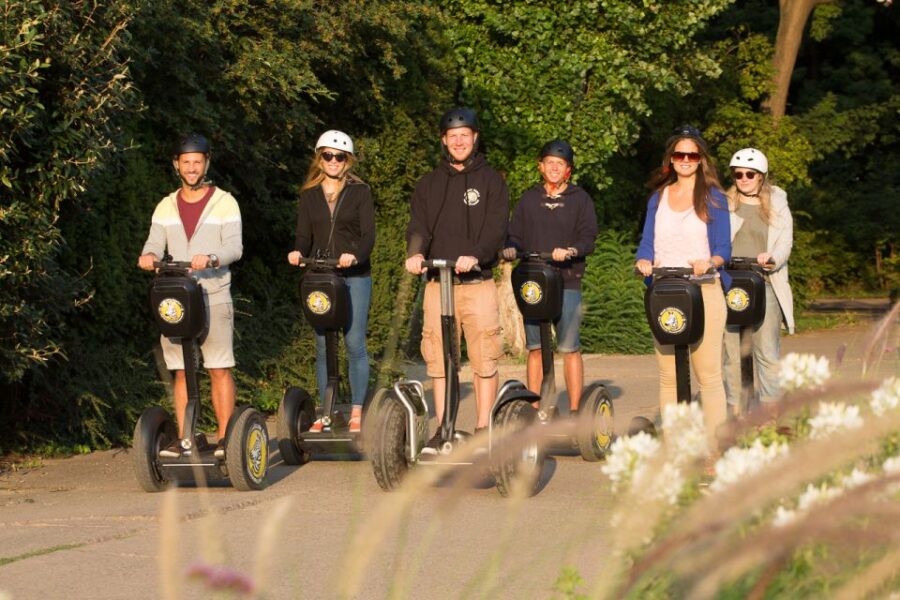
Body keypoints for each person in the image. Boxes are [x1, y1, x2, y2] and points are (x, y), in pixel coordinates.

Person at [405, 107, 509, 454]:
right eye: (453, 137)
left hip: (477, 284)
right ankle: (443, 429)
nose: (459, 141)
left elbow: (496, 229)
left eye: (465, 135)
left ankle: (483, 428)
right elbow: (419, 225)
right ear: (444, 141)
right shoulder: (429, 184)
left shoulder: (492, 181)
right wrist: (416, 253)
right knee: (438, 359)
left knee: (484, 356)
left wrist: (476, 254)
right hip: (438, 284)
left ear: (475, 138)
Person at [138, 133, 242, 459]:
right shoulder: (165, 205)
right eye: (187, 162)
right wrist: (148, 256)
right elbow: (154, 242)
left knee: (218, 367)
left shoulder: (224, 202)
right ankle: (187, 437)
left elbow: (234, 248)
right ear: (177, 165)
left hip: (213, 293)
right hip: (177, 299)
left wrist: (211, 258)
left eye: (198, 162)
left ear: (206, 163)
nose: (192, 167)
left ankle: (226, 438)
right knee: (182, 370)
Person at [635, 125, 731, 448]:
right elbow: (647, 241)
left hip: (702, 290)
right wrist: (643, 260)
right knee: (668, 377)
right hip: (664, 291)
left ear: (701, 158)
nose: (686, 159)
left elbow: (723, 250)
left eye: (692, 154)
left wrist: (710, 262)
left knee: (708, 375)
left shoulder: (713, 197)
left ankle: (715, 451)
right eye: (680, 154)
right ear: (671, 159)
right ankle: (675, 448)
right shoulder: (658, 198)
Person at [287, 130, 375, 433]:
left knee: (353, 343)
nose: (333, 161)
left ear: (347, 161)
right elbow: (303, 234)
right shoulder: (309, 195)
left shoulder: (361, 192)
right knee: (324, 343)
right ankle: (327, 410)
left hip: (353, 277)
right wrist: (298, 252)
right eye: (328, 155)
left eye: (339, 156)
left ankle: (356, 410)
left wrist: (355, 257)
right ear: (319, 158)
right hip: (322, 277)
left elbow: (368, 237)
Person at [502, 140, 598, 414]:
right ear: (541, 167)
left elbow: (589, 237)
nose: (554, 168)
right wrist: (511, 248)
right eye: (549, 163)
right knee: (535, 347)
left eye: (560, 164)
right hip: (535, 282)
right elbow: (515, 234)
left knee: (569, 348)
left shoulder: (580, 199)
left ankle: (576, 411)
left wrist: (571, 250)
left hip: (566, 280)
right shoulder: (529, 198)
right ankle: (534, 408)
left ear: (568, 170)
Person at [723, 148, 794, 416]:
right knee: (731, 353)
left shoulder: (777, 201)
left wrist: (773, 257)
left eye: (749, 174)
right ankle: (735, 410)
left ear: (761, 176)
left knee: (767, 351)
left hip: (765, 282)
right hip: (731, 284)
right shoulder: (726, 203)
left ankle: (770, 414)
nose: (743, 178)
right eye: (738, 174)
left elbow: (785, 240)